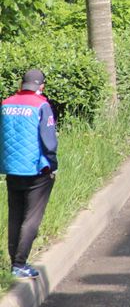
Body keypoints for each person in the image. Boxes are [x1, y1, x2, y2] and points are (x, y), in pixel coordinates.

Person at [1, 69, 58, 279]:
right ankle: (19, 264)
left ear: (22, 83)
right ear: (41, 86)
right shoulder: (42, 105)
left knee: (15, 215)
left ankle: (14, 264)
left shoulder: (6, 104)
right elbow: (49, 141)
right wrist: (53, 164)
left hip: (11, 169)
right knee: (32, 217)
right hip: (36, 170)